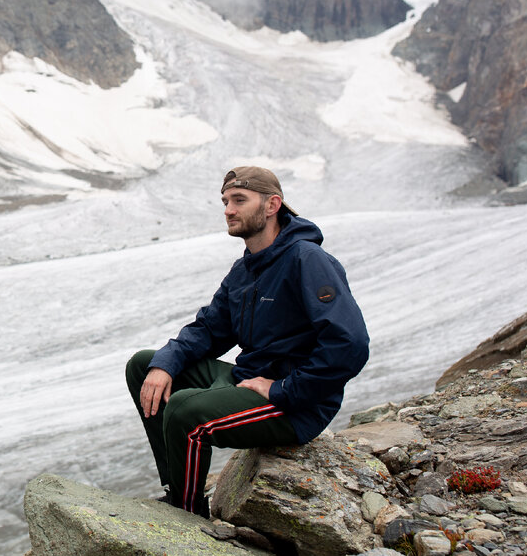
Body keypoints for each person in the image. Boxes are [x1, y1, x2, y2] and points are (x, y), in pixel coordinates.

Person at [125, 166, 369, 518]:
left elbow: (351, 344)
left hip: (294, 404)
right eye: (225, 201)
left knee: (183, 412)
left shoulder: (307, 260)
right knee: (144, 365)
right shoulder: (247, 269)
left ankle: (187, 514)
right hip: (249, 380)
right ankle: (177, 485)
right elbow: (209, 329)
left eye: (239, 200)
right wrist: (165, 362)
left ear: (272, 205)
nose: (228, 209)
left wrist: (284, 389)